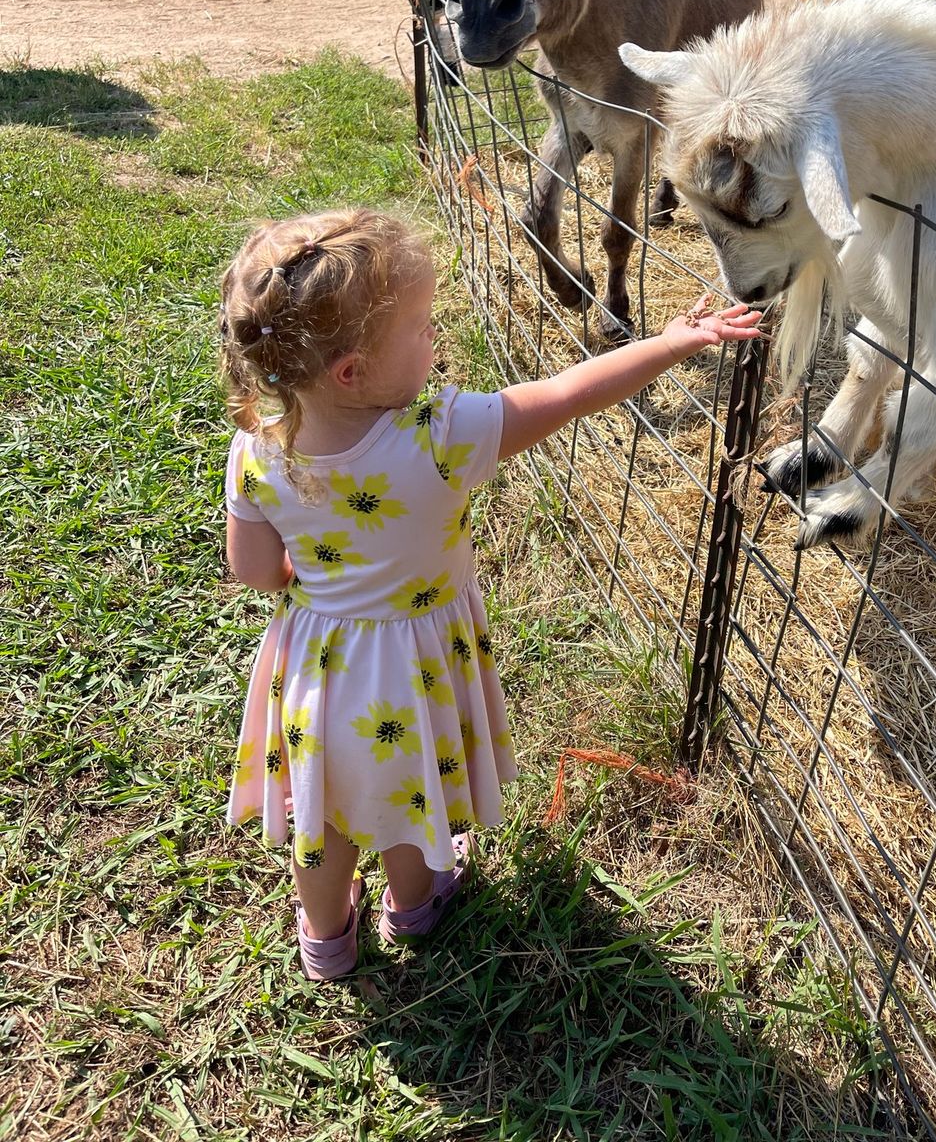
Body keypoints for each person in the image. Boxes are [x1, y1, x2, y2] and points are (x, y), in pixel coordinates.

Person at [219, 206, 761, 980]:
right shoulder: (443, 432)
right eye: (420, 327)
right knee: (408, 798)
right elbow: (570, 394)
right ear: (352, 370)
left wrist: (302, 581)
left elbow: (253, 569)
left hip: (315, 672)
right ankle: (416, 908)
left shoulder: (257, 447)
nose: (434, 338)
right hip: (412, 668)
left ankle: (326, 938)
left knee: (324, 814)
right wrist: (673, 342)